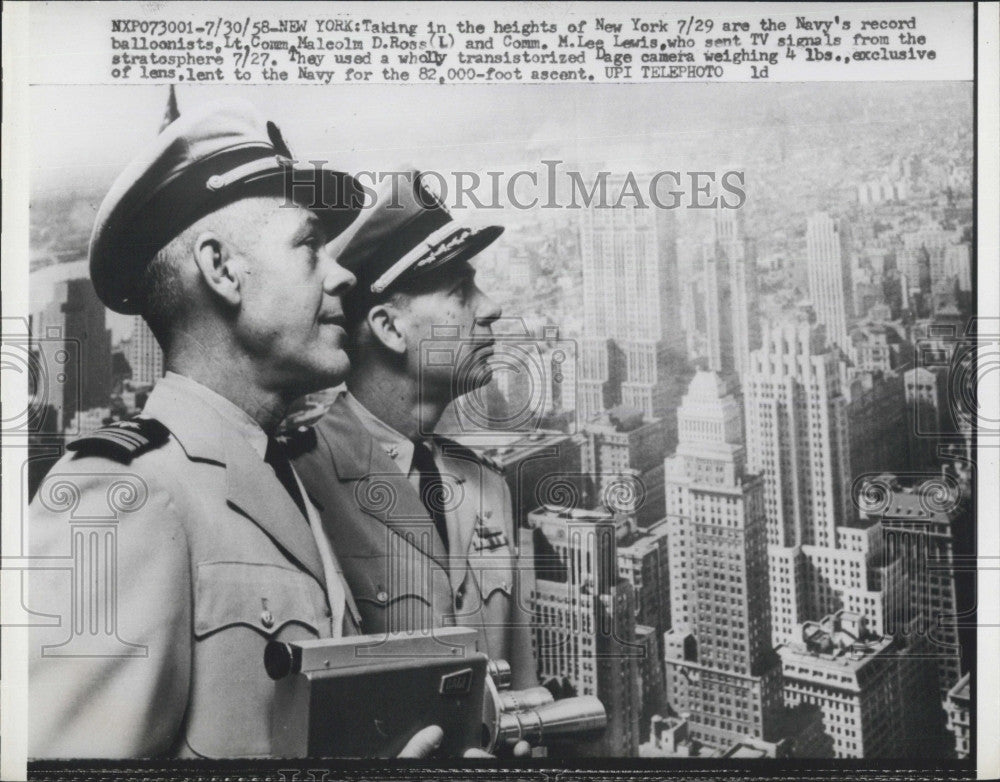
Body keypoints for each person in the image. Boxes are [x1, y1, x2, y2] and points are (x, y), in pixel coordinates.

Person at [27, 103, 467, 759]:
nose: (343, 273)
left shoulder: (286, 473)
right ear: (222, 269)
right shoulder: (124, 497)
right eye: (310, 245)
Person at [291, 171, 537, 692]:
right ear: (389, 328)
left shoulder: (486, 484)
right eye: (460, 291)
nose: (490, 308)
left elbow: (521, 696)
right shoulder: (302, 478)